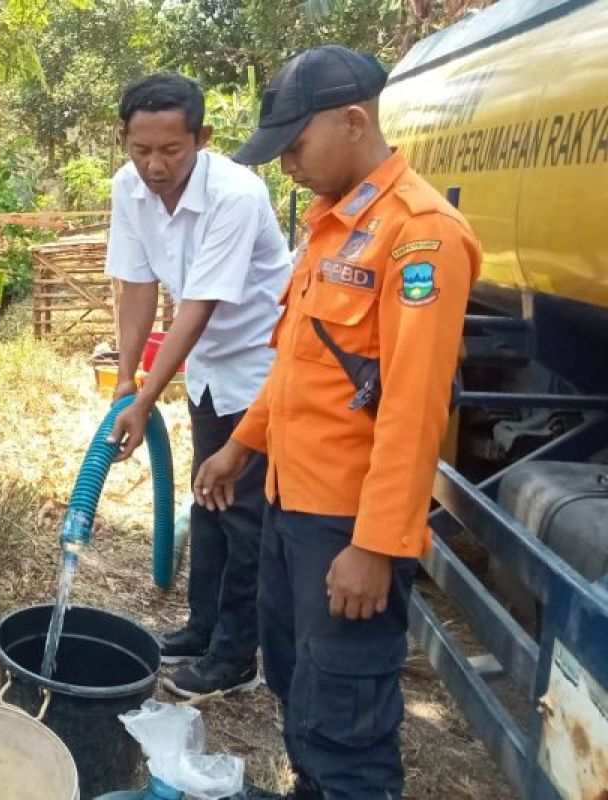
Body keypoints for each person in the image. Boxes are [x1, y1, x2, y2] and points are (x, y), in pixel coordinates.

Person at [196, 46, 480, 800]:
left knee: (346, 714)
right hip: (291, 500)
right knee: (294, 678)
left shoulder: (421, 236)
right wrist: (237, 448)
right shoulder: (330, 225)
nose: (286, 163)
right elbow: (299, 365)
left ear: (354, 121)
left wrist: (376, 546)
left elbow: (415, 411)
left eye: (295, 144)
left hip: (348, 525)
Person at [104, 73, 291, 698]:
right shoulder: (128, 189)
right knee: (209, 501)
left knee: (245, 516)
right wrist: (127, 379)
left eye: (171, 151)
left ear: (203, 139)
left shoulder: (236, 194)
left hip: (261, 367)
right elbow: (137, 287)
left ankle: (237, 655)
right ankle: (202, 626)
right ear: (125, 141)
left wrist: (149, 396)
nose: (154, 166)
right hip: (208, 369)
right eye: (141, 150)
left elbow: (200, 304)